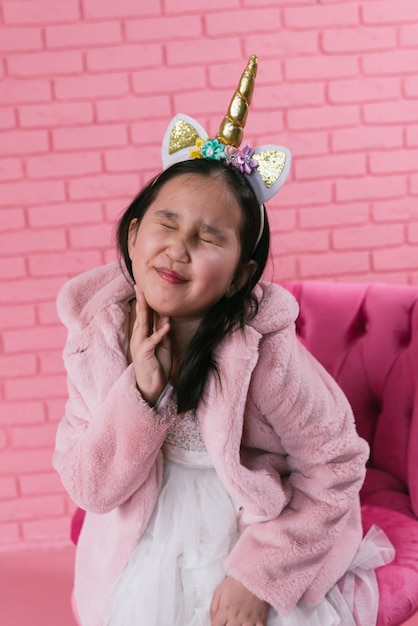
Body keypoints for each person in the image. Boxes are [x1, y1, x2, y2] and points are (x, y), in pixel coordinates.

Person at [53, 56, 394, 626]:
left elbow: (336, 465)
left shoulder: (265, 356)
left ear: (240, 274)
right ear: (135, 235)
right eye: (166, 223)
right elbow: (92, 486)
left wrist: (258, 575)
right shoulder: (97, 338)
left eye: (208, 238)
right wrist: (141, 391)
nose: (179, 248)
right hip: (138, 534)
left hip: (244, 530)